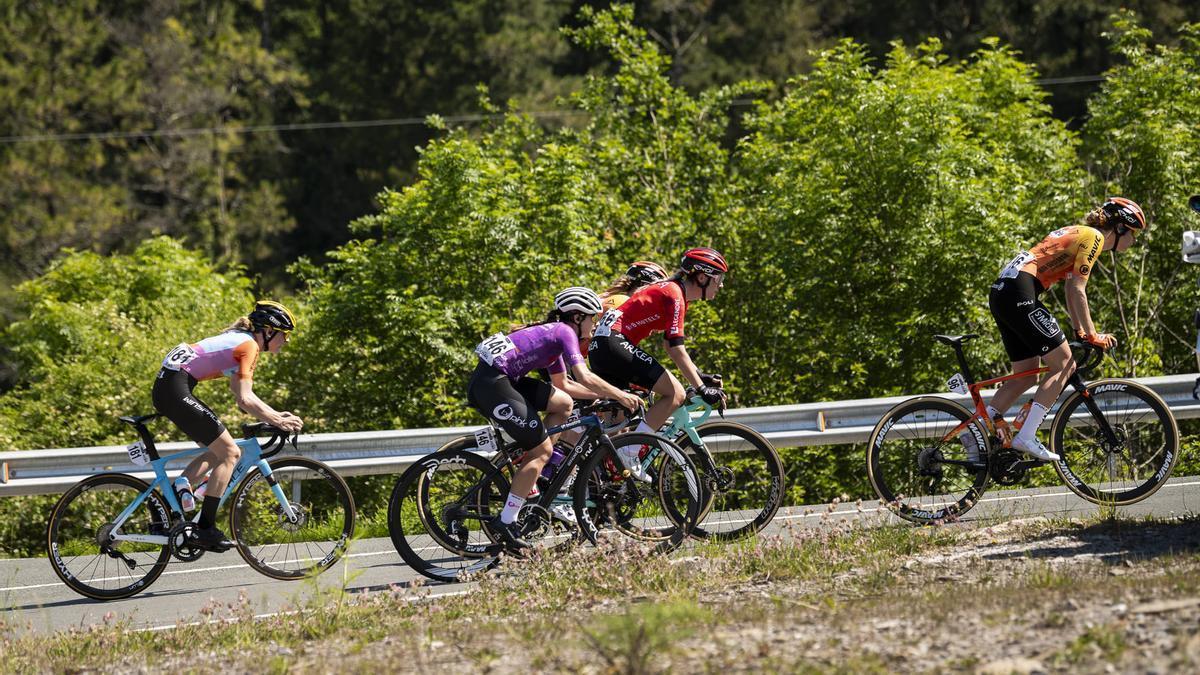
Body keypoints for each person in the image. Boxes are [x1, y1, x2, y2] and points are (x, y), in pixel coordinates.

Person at [469, 287, 642, 551]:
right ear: (576, 317)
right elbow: (583, 376)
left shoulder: (554, 335)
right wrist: (619, 395)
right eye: (591, 319)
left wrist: (603, 397)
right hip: (492, 385)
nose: (594, 325)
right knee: (540, 450)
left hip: (500, 379)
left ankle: (541, 463)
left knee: (562, 404)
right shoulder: (564, 332)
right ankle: (507, 520)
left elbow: (564, 385)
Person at [985, 197, 1146, 462]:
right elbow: (1077, 290)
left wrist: (1080, 331)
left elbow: (1072, 289)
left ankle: (976, 430)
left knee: (1026, 375)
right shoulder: (1093, 237)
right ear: (1119, 229)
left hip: (1004, 292)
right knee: (1064, 364)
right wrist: (1092, 335)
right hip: (1019, 291)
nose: (1134, 241)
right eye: (1134, 234)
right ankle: (1026, 435)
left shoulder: (1080, 232)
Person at [152, 301, 304, 551]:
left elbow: (240, 393)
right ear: (268, 331)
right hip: (175, 388)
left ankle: (172, 500)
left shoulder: (240, 339)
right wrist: (278, 421)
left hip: (170, 387)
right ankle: (206, 529)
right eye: (284, 334)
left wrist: (275, 414)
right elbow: (245, 399)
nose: (286, 341)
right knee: (231, 453)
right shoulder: (249, 346)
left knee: (218, 450)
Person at [588, 247, 729, 481]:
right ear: (702, 277)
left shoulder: (673, 292)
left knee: (620, 418)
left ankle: (596, 482)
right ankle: (630, 453)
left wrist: (700, 376)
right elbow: (675, 348)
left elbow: (669, 346)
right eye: (719, 279)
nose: (721, 285)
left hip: (603, 347)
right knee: (675, 394)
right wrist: (702, 388)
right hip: (613, 344)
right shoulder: (675, 294)